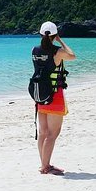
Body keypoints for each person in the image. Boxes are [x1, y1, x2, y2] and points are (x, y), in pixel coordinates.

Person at [33, 21, 76, 176]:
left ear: (40, 34)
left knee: (43, 133)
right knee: (52, 134)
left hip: (40, 95)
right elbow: (72, 55)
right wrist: (61, 41)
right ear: (54, 35)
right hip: (54, 96)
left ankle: (44, 164)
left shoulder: (35, 50)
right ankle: (46, 167)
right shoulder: (58, 52)